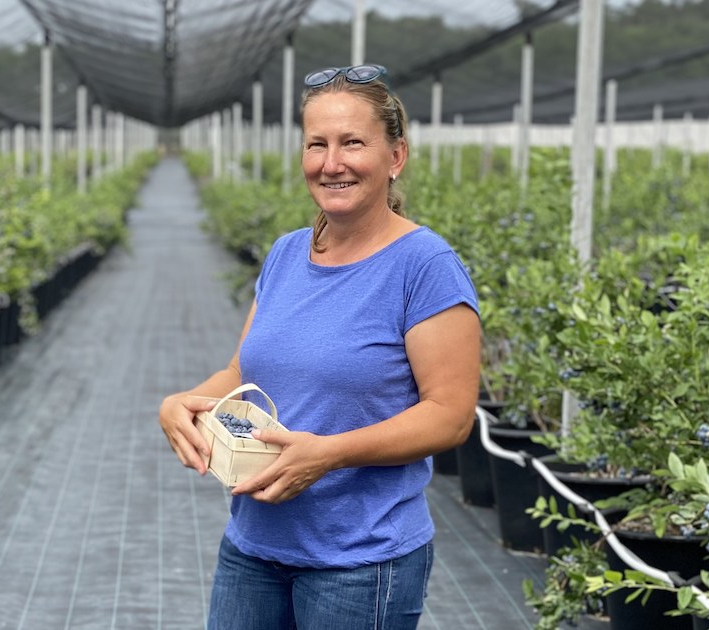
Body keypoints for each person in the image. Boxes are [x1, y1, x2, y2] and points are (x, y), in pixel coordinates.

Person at [159, 63, 481, 630]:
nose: (331, 163)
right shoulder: (287, 253)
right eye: (317, 145)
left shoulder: (424, 267)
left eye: (352, 143)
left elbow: (449, 417)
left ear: (395, 157)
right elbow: (242, 369)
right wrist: (182, 402)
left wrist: (330, 453)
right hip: (253, 546)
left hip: (360, 561)